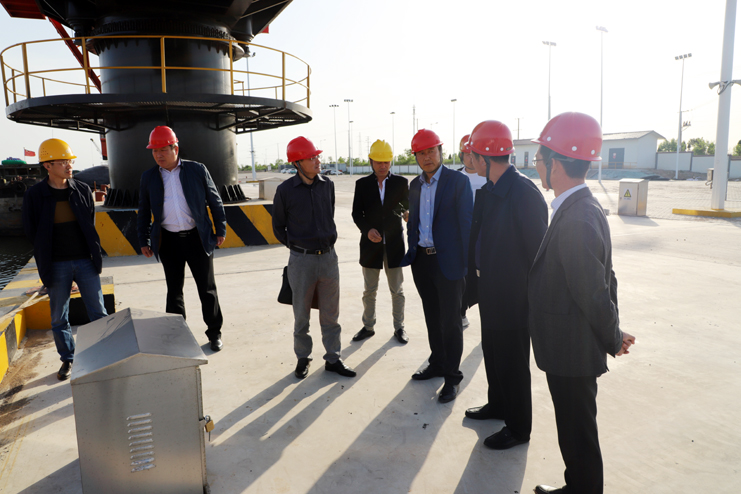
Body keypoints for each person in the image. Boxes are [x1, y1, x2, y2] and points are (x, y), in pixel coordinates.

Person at [528, 112, 636, 494]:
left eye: (539, 159)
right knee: (574, 436)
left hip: (571, 352)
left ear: (556, 165)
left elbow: (594, 292)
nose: (537, 166)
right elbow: (606, 278)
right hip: (569, 348)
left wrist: (613, 337)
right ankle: (575, 486)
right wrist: (613, 331)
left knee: (579, 438)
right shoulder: (581, 209)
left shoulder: (576, 218)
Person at [463, 121, 548, 450]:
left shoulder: (523, 193)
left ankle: (518, 427)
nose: (469, 160)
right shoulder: (489, 190)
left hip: (513, 296)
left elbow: (538, 254)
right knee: (494, 353)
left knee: (512, 362)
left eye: (472, 155)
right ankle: (498, 405)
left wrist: (529, 297)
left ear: (484, 158)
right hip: (489, 289)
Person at [22, 138, 108, 380]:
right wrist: (47, 257)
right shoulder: (35, 195)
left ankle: (104, 354)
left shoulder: (81, 190)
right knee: (59, 317)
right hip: (56, 264)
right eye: (62, 162)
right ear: (47, 166)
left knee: (98, 312)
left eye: (69, 161)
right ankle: (68, 359)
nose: (69, 166)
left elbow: (89, 223)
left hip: (85, 262)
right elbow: (30, 229)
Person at [272, 136, 356, 380]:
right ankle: (303, 357)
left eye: (317, 156)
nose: (318, 161)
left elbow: (329, 214)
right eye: (311, 158)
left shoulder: (327, 185)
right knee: (301, 315)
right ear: (297, 163)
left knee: (331, 313)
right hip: (301, 261)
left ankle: (333, 358)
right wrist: (298, 248)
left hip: (329, 258)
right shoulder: (285, 191)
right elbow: (278, 227)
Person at [137, 126, 226, 352]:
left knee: (207, 289)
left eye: (162, 150)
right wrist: (143, 240)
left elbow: (214, 201)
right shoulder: (149, 177)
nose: (158, 155)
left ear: (175, 148)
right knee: (174, 290)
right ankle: (178, 335)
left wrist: (220, 229)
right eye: (154, 151)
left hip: (197, 238)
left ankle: (214, 333)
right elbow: (144, 210)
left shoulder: (197, 170)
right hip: (168, 241)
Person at [401, 129, 472, 403]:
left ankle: (452, 377)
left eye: (431, 151)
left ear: (441, 151)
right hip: (422, 261)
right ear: (416, 157)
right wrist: (412, 250)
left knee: (451, 322)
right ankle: (437, 363)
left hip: (449, 263)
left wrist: (467, 264)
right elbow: (414, 223)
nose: (427, 157)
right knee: (432, 316)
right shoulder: (415, 185)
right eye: (421, 153)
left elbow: (466, 224)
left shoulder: (458, 182)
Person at [351, 139, 409, 344]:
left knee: (397, 290)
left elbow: (404, 205)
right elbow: (357, 214)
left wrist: (405, 212)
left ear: (391, 161)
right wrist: (367, 230)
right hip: (370, 247)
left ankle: (399, 327)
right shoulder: (362, 184)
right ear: (371, 161)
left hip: (394, 245)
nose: (383, 166)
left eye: (386, 162)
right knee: (369, 291)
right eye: (378, 162)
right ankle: (368, 326)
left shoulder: (401, 183)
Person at [457, 133, 486, 328]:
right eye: (466, 154)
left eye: (473, 154)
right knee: (461, 278)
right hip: (462, 237)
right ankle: (461, 312)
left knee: (484, 280)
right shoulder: (456, 178)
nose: (470, 158)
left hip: (482, 237)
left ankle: (487, 319)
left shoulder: (488, 177)